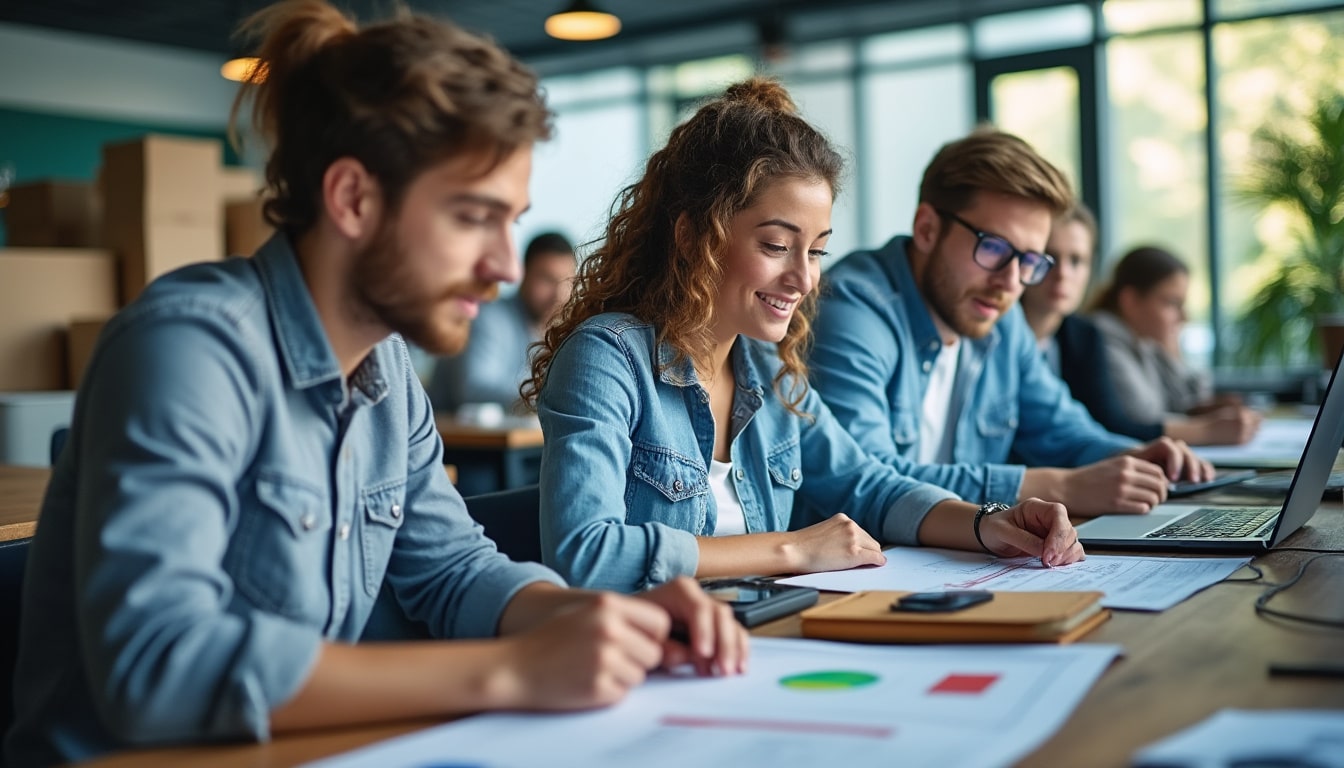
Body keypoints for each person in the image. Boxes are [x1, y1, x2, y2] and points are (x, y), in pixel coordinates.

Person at [4, 3, 745, 765]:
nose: (501, 267)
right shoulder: (189, 347)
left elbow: (454, 570)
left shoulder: (386, 369)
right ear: (353, 198)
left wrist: (592, 616)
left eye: (511, 222)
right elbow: (157, 666)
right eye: (472, 217)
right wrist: (512, 669)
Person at [522, 79, 1084, 594]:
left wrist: (990, 524)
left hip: (759, 644)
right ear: (695, 237)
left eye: (816, 251)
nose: (804, 278)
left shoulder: (767, 370)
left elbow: (872, 487)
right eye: (775, 246)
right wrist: (792, 549)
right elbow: (583, 554)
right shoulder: (608, 358)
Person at [808, 129, 1213, 520]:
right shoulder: (854, 306)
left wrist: (1130, 457)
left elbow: (1061, 428)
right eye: (995, 248)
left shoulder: (1000, 318)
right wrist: (1060, 488)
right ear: (927, 228)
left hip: (957, 558)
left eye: (1030, 261)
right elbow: (865, 479)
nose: (1011, 282)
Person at [1021, 206, 1260, 446]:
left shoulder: (1081, 334)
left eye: (1076, 260)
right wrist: (1205, 431)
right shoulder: (1100, 335)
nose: (1062, 274)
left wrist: (1171, 348)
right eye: (1048, 257)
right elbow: (1119, 423)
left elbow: (1183, 401)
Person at [1088, 245, 1260, 442]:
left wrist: (1173, 352)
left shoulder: (1142, 341)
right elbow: (1144, 418)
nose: (1185, 317)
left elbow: (1188, 400)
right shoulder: (1099, 341)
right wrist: (1207, 429)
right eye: (1172, 303)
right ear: (1131, 300)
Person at [427, 232, 577, 416]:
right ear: (524, 274)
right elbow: (473, 389)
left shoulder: (555, 329)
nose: (558, 294)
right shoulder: (489, 317)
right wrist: (552, 397)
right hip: (455, 439)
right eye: (547, 279)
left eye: (567, 282)